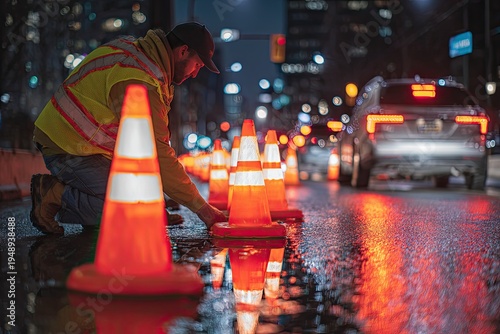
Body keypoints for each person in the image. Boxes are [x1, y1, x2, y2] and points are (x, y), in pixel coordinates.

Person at [30, 22, 227, 235]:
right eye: (197, 65)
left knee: (146, 204)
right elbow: (158, 154)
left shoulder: (139, 55)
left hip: (82, 142)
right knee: (134, 211)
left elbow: (143, 151)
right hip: (67, 145)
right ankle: (53, 195)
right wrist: (203, 209)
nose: (196, 74)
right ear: (182, 51)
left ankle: (108, 208)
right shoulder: (141, 79)